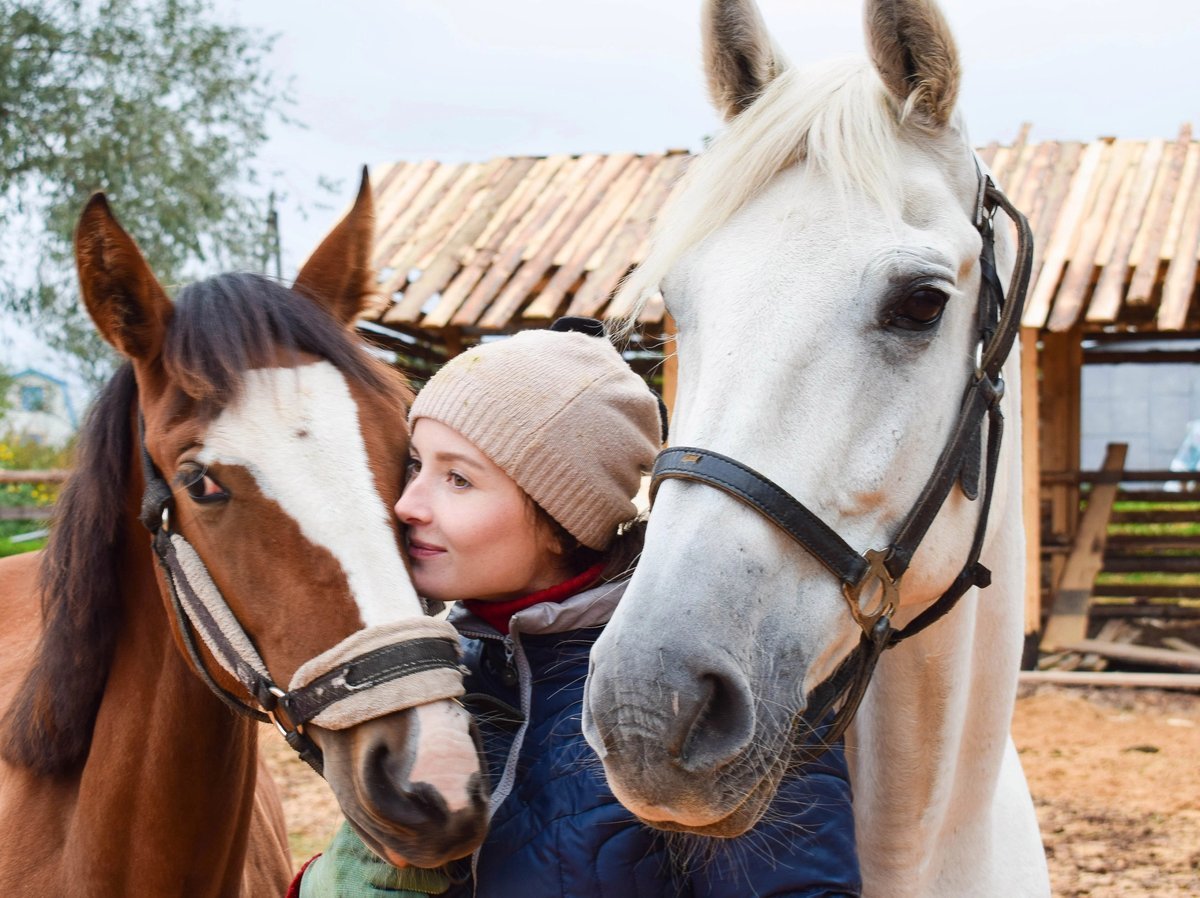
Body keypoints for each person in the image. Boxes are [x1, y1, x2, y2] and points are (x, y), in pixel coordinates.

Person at [293, 320, 862, 898]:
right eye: (417, 464)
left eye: (459, 479)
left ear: (562, 526)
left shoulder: (698, 687)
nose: (407, 504)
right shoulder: (437, 680)